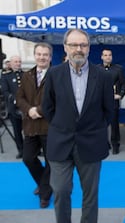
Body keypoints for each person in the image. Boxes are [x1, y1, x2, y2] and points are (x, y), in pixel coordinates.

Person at [42, 29, 114, 223]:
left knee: (90, 195)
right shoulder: (54, 74)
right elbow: (47, 108)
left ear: (89, 48)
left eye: (83, 45)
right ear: (65, 47)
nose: (78, 49)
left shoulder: (103, 76)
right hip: (60, 142)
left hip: (91, 143)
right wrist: (62, 125)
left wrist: (94, 130)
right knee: (61, 190)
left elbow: (108, 111)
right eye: (73, 45)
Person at [16, 42, 53, 208]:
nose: (42, 57)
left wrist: (38, 110)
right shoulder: (27, 75)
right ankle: (45, 184)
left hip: (49, 126)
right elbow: (20, 97)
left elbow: (58, 99)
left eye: (45, 54)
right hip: (30, 125)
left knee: (51, 161)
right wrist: (29, 110)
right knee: (28, 158)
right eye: (39, 54)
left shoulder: (56, 75)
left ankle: (45, 194)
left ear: (50, 57)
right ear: (35, 55)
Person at [98, 48, 125, 154]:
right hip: (100, 102)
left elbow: (123, 83)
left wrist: (120, 94)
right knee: (101, 125)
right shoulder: (97, 69)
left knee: (114, 124)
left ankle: (115, 145)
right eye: (105, 55)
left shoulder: (118, 69)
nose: (107, 57)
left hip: (113, 101)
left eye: (109, 55)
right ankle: (104, 144)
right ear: (102, 57)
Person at [0, 55, 24, 159]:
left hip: (25, 107)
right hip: (13, 107)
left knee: (29, 132)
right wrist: (14, 99)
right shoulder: (6, 76)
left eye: (19, 61)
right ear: (11, 63)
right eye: (16, 62)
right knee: (17, 131)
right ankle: (21, 150)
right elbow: (5, 91)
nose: (18, 63)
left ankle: (33, 151)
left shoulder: (26, 74)